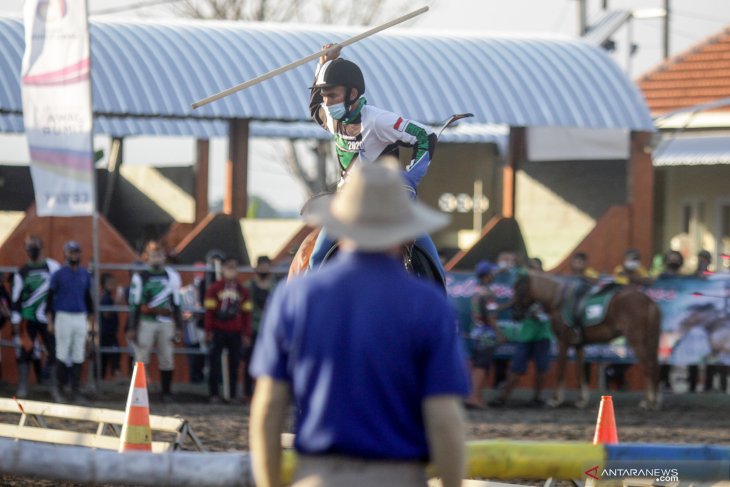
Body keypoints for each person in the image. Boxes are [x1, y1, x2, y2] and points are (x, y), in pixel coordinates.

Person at [250, 160, 468, 487]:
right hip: (398, 476)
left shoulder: (293, 298)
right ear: (401, 228)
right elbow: (445, 419)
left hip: (320, 476)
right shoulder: (428, 305)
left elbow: (268, 410)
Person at [307, 44, 443, 278]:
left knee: (435, 267)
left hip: (387, 201)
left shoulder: (380, 121)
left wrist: (410, 177)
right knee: (317, 257)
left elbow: (425, 135)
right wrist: (322, 64)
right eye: (325, 96)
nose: (326, 103)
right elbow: (314, 107)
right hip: (348, 203)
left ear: (352, 94)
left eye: (332, 95)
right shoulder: (331, 118)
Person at [127, 241, 182, 403]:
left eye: (159, 255)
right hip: (146, 322)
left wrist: (179, 326)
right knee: (141, 358)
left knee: (167, 357)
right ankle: (139, 394)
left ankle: (166, 392)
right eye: (153, 255)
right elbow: (135, 304)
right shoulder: (141, 277)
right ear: (147, 258)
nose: (156, 259)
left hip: (166, 320)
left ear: (164, 257)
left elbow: (177, 302)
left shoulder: (172, 276)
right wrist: (132, 327)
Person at [11, 235, 61, 399]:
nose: (31, 250)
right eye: (28, 247)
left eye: (34, 246)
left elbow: (58, 290)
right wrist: (16, 321)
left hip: (48, 319)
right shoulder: (22, 272)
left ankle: (54, 388)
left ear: (41, 247)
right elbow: (16, 299)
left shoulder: (52, 267)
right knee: (25, 351)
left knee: (53, 351)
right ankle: (23, 386)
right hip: (28, 318)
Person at [46, 241, 94, 402]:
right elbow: (50, 298)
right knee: (62, 352)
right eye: (71, 252)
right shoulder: (59, 274)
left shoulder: (85, 274)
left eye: (76, 252)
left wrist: (91, 317)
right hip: (63, 315)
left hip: (80, 316)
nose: (74, 255)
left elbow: (88, 297)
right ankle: (59, 389)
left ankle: (75, 391)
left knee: (78, 354)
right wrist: (50, 320)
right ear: (65, 254)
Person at [203, 256, 252, 403]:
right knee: (215, 362)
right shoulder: (214, 289)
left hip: (235, 332)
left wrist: (246, 334)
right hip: (218, 330)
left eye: (234, 267)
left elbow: (247, 314)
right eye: (229, 267)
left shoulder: (242, 290)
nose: (232, 271)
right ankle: (214, 394)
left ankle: (232, 394)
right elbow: (209, 312)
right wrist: (208, 331)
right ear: (223, 269)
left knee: (235, 363)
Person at [465, 260, 504, 409]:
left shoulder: (477, 291)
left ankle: (475, 396)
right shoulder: (488, 293)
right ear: (487, 276)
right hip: (486, 335)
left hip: (476, 333)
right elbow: (491, 316)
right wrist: (499, 334)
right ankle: (473, 397)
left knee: (477, 365)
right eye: (492, 273)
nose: (494, 275)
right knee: (482, 366)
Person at [244, 255, 275, 398]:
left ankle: (267, 393)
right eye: (261, 265)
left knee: (271, 361)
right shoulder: (248, 286)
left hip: (271, 329)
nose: (263, 268)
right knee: (249, 361)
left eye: (266, 265)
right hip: (253, 327)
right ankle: (248, 392)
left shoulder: (277, 286)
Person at [181, 263, 206, 384]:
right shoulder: (185, 292)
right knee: (194, 362)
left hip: (207, 333)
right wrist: (193, 313)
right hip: (192, 333)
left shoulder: (210, 290)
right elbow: (180, 313)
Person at [99, 273, 123, 381]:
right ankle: (116, 374)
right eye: (110, 283)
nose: (113, 285)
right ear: (104, 285)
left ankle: (104, 378)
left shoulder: (108, 296)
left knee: (108, 356)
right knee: (113, 354)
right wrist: (116, 304)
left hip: (109, 332)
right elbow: (106, 314)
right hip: (106, 333)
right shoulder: (105, 297)